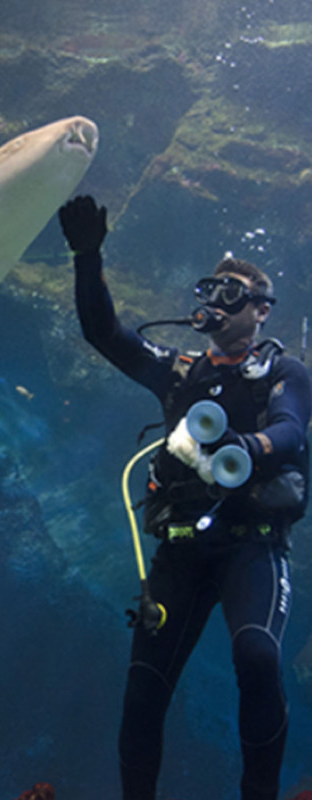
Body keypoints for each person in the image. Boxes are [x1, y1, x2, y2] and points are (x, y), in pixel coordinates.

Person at [58, 195, 312, 800]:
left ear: (261, 312)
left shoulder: (286, 372)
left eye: (232, 295)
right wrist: (87, 258)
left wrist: (247, 447)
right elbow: (103, 333)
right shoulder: (179, 371)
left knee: (256, 658)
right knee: (144, 687)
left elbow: (292, 429)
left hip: (252, 546)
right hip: (179, 549)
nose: (214, 304)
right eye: (211, 291)